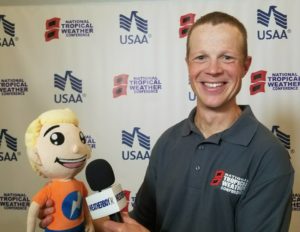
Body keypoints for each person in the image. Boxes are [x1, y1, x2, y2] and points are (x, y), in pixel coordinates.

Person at [39, 11, 294, 232]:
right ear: (187, 64)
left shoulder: (268, 156)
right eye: (201, 57)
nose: (213, 69)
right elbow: (144, 223)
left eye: (227, 57)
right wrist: (78, 219)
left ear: (246, 66)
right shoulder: (168, 142)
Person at [25, 108, 94, 232]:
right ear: (36, 154)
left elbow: (84, 204)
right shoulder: (49, 189)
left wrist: (89, 222)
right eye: (57, 138)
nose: (76, 148)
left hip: (79, 227)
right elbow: (34, 209)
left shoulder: (81, 185)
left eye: (80, 139)